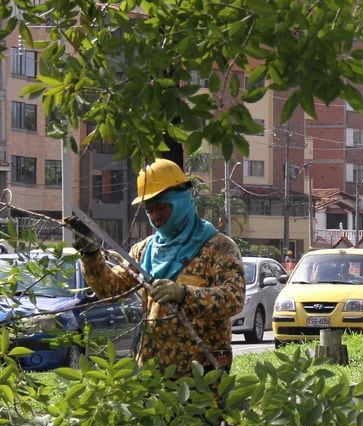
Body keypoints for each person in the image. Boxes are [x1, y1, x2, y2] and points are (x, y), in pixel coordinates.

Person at [74, 158, 245, 373]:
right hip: (152, 375)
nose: (155, 217)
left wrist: (185, 294)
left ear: (181, 200)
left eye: (162, 207)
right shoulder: (145, 250)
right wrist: (90, 255)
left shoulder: (218, 247)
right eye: (149, 210)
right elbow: (112, 289)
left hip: (202, 378)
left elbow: (234, 299)